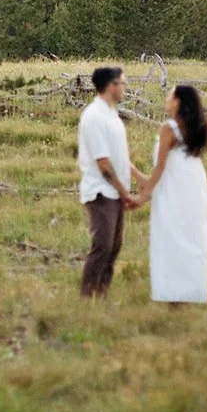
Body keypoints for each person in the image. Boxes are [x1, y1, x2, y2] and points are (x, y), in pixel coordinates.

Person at [136, 83, 207, 304]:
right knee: (193, 236)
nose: (166, 99)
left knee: (170, 235)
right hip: (194, 184)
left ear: (178, 101)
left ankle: (173, 293)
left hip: (173, 185)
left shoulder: (168, 128)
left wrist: (144, 194)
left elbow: (160, 167)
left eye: (170, 96)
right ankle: (192, 291)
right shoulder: (196, 127)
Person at [77, 64, 146, 297]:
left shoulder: (112, 114)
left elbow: (119, 157)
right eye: (122, 83)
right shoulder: (94, 116)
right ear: (110, 85)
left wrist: (139, 177)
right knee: (103, 245)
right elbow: (104, 164)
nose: (124, 87)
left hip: (115, 191)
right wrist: (125, 193)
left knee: (114, 247)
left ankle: (101, 294)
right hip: (101, 191)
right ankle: (88, 297)